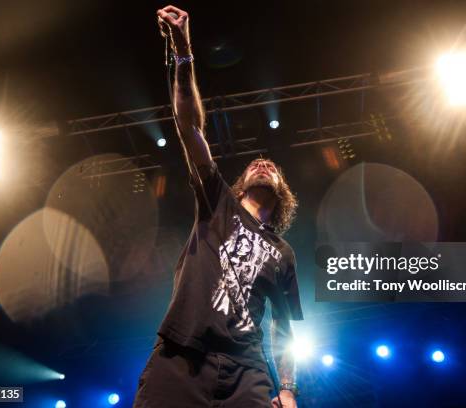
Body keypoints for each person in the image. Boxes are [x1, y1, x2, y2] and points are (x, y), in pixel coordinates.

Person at [133, 5, 303, 408]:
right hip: (182, 355)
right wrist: (183, 51)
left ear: (283, 193)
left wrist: (288, 388)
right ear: (241, 182)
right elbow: (190, 126)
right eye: (256, 165)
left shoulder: (283, 253)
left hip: (247, 371)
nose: (264, 165)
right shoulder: (218, 201)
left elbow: (284, 327)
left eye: (273, 168)